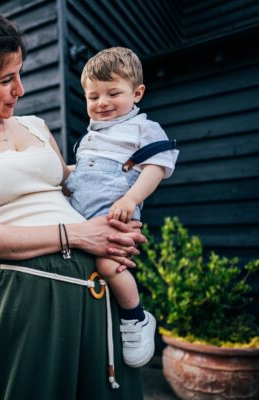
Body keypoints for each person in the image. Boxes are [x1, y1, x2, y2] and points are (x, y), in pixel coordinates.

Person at [0, 1, 146, 398]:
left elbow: (70, 183)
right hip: (33, 291)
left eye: (19, 74)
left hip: (100, 280)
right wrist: (76, 235)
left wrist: (124, 198)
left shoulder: (36, 127)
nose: (19, 90)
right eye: (6, 80)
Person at [65, 47, 179, 368]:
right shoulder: (89, 137)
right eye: (93, 97)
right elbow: (85, 172)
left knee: (107, 264)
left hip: (114, 216)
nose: (102, 103)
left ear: (137, 92)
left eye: (113, 93)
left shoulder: (142, 128)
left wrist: (131, 200)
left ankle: (135, 317)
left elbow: (156, 166)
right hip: (80, 218)